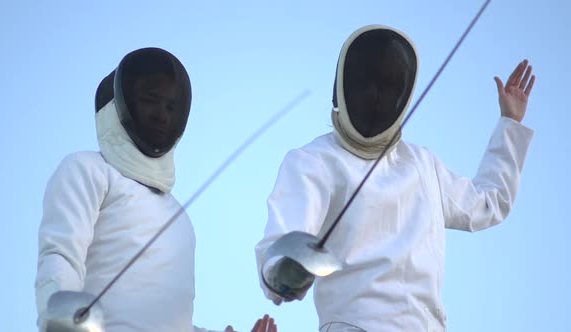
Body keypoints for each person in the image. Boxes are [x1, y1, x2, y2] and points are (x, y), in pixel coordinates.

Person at [255, 24, 535, 332]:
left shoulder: (423, 164)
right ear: (341, 88)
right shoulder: (315, 161)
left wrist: (510, 124)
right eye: (365, 83)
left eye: (389, 86)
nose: (376, 96)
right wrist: (283, 273)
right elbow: (282, 245)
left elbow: (489, 202)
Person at [36, 47, 277, 332]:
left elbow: (171, 322)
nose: (162, 115)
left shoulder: (179, 217)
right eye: (151, 100)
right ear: (120, 106)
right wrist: (60, 321)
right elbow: (61, 256)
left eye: (171, 107)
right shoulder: (88, 169)